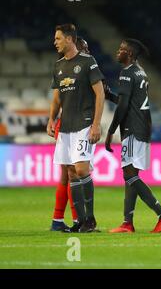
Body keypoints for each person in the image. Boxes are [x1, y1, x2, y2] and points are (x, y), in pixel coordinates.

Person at [105, 39, 161, 233]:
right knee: (131, 175)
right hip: (143, 125)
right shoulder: (140, 71)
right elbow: (128, 99)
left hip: (133, 127)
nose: (118, 52)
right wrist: (109, 94)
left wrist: (110, 131)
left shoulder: (127, 73)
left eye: (122, 49)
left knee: (129, 173)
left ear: (130, 54)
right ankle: (127, 223)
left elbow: (124, 106)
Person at [47, 24, 105, 233]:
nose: (55, 42)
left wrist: (96, 124)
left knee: (81, 169)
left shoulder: (88, 62)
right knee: (71, 173)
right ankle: (80, 221)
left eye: (58, 38)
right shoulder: (58, 66)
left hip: (84, 123)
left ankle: (90, 219)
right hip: (66, 126)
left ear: (70, 39)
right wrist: (51, 119)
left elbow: (100, 94)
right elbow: (56, 97)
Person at [50, 37, 90, 231]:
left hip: (67, 124)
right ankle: (76, 220)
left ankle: (60, 220)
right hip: (70, 126)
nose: (87, 51)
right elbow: (58, 99)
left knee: (67, 175)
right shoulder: (73, 68)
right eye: (85, 48)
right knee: (71, 174)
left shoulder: (77, 68)